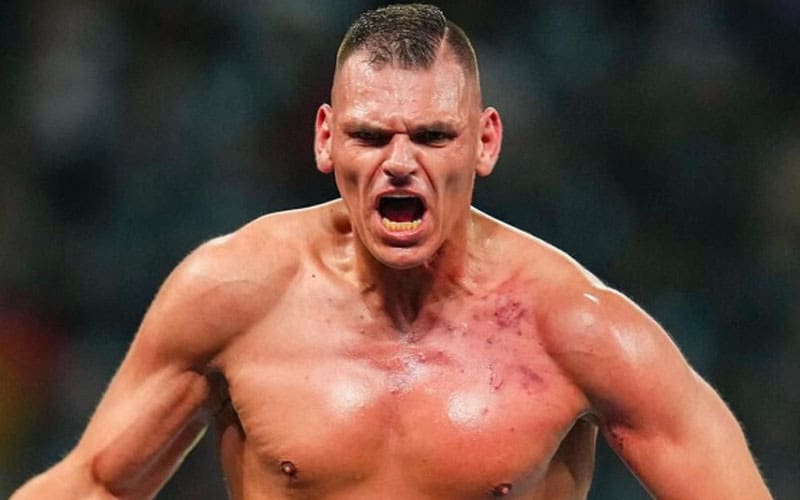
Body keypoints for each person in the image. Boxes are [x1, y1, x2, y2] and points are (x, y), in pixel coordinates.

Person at [13, 4, 771, 499]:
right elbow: (96, 484)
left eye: (433, 136)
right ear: (325, 140)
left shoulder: (576, 327)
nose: (400, 163)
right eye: (371, 135)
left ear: (485, 142)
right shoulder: (235, 292)